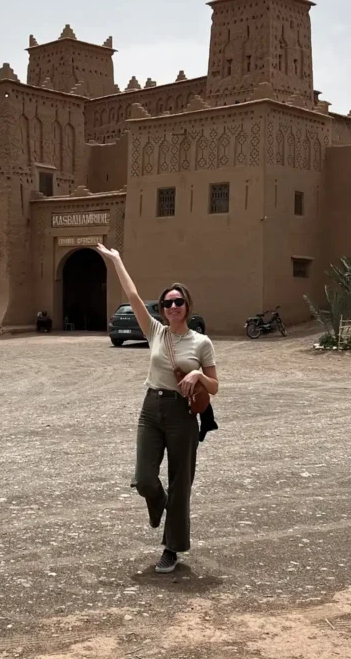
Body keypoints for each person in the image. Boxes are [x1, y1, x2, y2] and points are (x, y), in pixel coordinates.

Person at [95, 242, 218, 574]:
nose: (172, 306)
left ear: (187, 306)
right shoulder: (155, 332)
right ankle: (159, 501)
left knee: (181, 483)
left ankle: (171, 548)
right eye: (167, 303)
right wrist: (116, 260)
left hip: (182, 415)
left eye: (178, 302)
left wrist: (197, 374)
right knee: (145, 479)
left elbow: (215, 386)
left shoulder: (201, 343)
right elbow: (133, 295)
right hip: (151, 408)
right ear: (162, 309)